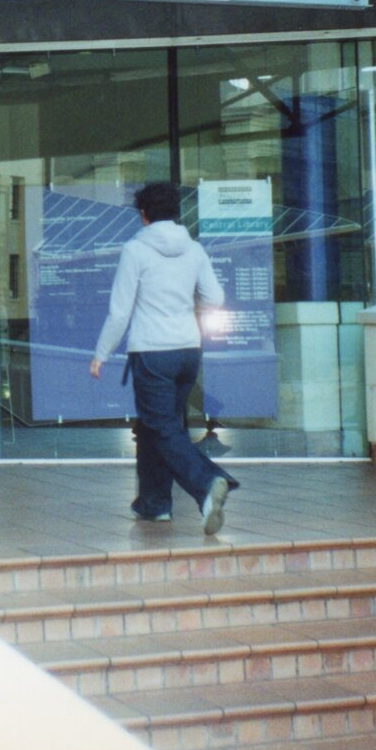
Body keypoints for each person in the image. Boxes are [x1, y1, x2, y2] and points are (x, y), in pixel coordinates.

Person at [89, 182, 238, 534]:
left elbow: (120, 311)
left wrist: (100, 354)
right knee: (158, 426)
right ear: (176, 213)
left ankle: (207, 484)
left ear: (143, 215)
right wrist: (184, 309)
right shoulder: (194, 249)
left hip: (153, 353)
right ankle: (154, 504)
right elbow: (214, 297)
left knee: (162, 427)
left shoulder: (135, 250)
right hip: (188, 350)